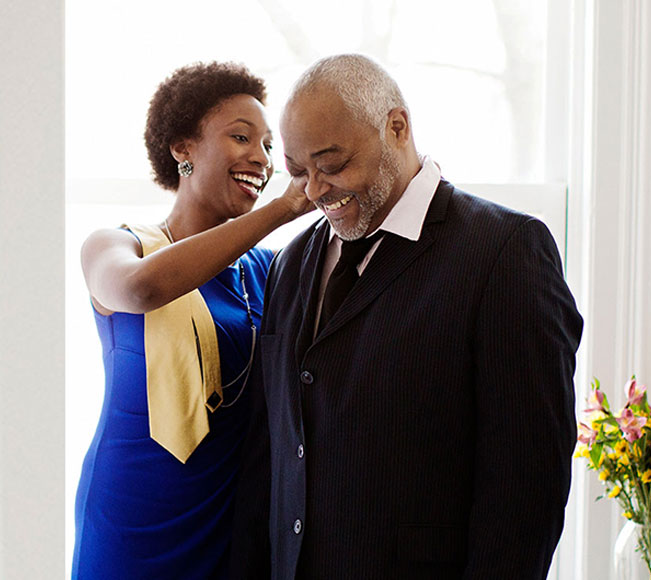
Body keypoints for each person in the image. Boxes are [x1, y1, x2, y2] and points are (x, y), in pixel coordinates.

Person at [230, 54, 583, 579]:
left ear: (397, 127)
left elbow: (526, 487)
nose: (314, 191)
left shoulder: (505, 252)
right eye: (299, 172)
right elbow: (273, 457)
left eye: (332, 164)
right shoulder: (292, 262)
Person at [71, 62, 312, 579]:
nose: (261, 158)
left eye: (270, 146)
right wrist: (280, 211)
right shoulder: (118, 246)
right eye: (241, 137)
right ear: (183, 148)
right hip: (133, 515)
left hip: (228, 517)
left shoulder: (268, 270)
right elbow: (142, 289)